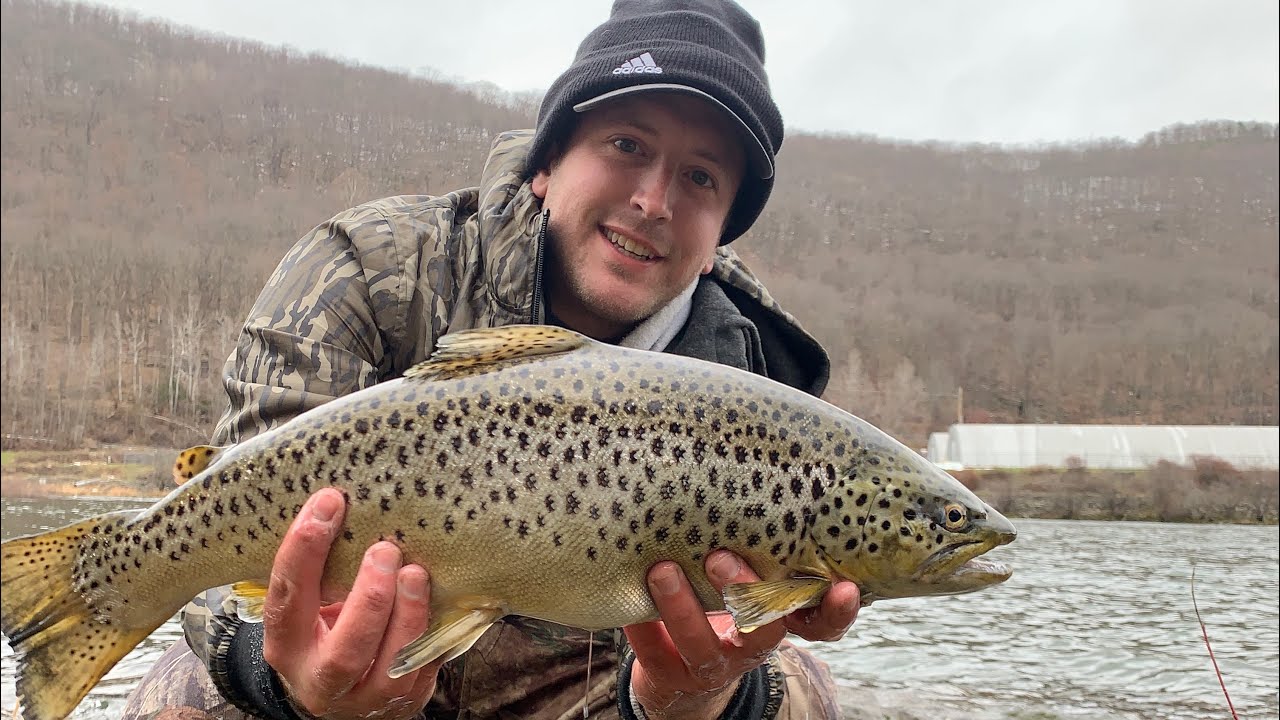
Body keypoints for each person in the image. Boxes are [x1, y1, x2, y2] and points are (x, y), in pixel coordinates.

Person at [121, 1, 861, 718]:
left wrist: (692, 700)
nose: (654, 200)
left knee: (793, 689)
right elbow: (225, 520)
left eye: (701, 177)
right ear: (546, 165)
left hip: (600, 677)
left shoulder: (751, 382)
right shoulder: (371, 267)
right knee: (186, 697)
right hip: (347, 633)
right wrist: (291, 680)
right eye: (627, 145)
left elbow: (742, 627)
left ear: (720, 237)